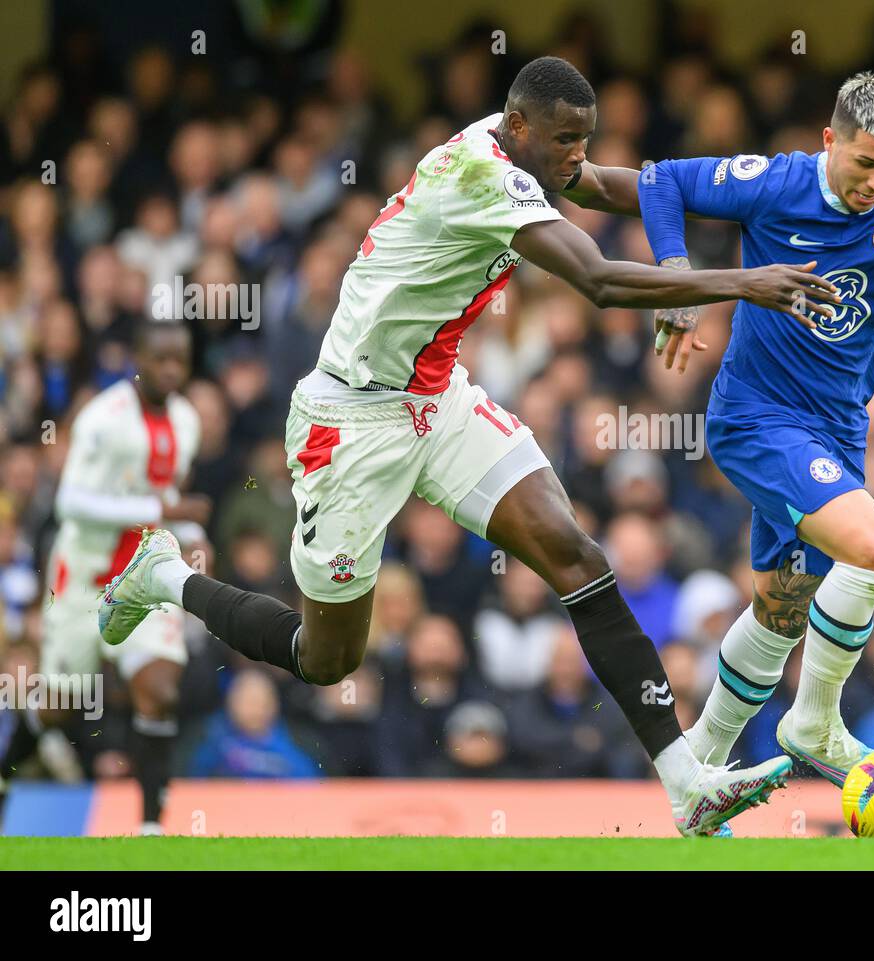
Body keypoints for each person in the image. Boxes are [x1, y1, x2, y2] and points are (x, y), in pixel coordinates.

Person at [97, 57, 836, 836]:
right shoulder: (481, 176)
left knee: (578, 556)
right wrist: (745, 281)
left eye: (584, 139)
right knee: (327, 659)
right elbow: (600, 281)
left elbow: (612, 186)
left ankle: (686, 782)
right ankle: (167, 574)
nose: (575, 157)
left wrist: (727, 208)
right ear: (518, 127)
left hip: (437, 398)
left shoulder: (525, 150)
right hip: (351, 422)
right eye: (564, 141)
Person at [636, 71, 874, 784]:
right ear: (828, 140)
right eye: (865, 160)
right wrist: (677, 280)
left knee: (783, 608)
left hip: (839, 430)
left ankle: (695, 774)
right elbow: (658, 180)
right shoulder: (773, 182)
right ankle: (814, 719)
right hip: (756, 418)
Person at [0, 321, 209, 834]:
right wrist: (159, 507)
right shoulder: (102, 418)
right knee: (59, 704)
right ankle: (5, 780)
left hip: (145, 576)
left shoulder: (186, 420)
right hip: (85, 577)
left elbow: (168, 499)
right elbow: (70, 501)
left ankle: (151, 830)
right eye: (160, 359)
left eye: (179, 361)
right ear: (136, 357)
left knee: (158, 689)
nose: (170, 370)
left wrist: (193, 530)